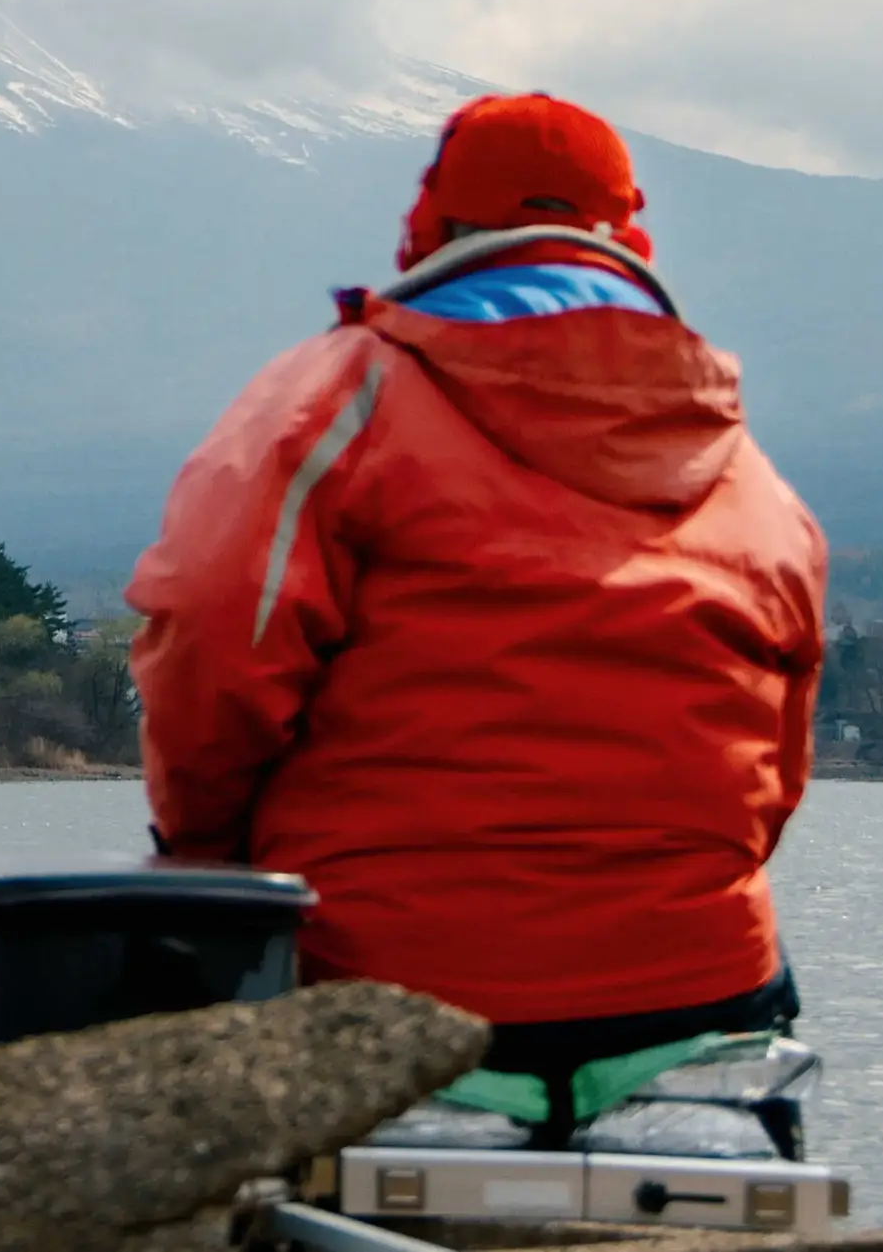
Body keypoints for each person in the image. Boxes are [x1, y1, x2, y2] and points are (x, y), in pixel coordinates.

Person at [127, 92, 825, 1137]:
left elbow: (210, 643)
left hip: (388, 997)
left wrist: (205, 859)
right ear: (626, 234)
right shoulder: (737, 462)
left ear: (435, 226)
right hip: (697, 1007)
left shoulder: (342, 397)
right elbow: (773, 764)